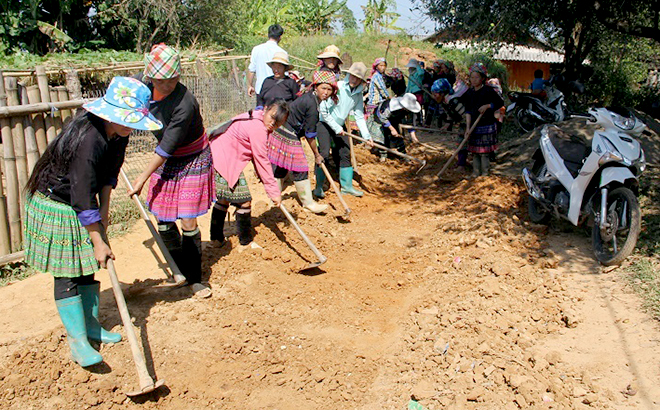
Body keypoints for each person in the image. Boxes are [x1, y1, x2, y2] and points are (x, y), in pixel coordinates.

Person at [23, 77, 162, 368]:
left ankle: (90, 325)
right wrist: (97, 240)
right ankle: (77, 342)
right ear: (109, 113)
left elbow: (110, 176)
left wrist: (105, 217)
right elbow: (82, 194)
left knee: (87, 266)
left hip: (82, 202)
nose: (131, 127)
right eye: (127, 120)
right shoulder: (89, 139)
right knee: (68, 272)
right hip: (58, 203)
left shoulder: (119, 133)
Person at [131, 44, 214, 298]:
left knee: (188, 217)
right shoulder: (141, 88)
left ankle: (195, 279)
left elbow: (166, 148)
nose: (168, 85)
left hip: (192, 155)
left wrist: (141, 178)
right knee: (162, 213)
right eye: (163, 81)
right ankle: (177, 268)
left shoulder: (184, 103)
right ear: (151, 76)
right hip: (167, 155)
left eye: (173, 79)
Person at [209, 101, 287, 249]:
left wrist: (260, 173)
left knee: (224, 199)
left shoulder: (256, 117)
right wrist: (274, 192)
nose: (273, 123)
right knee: (244, 202)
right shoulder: (258, 128)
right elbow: (262, 159)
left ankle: (216, 239)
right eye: (272, 117)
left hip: (220, 156)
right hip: (224, 159)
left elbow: (255, 156)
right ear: (266, 109)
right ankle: (245, 242)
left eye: (278, 123)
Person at [268, 71, 338, 214]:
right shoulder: (312, 104)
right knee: (300, 166)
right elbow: (310, 135)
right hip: (288, 131)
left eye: (329, 89)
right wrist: (317, 155)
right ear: (316, 87)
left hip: (283, 130)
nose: (326, 92)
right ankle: (308, 203)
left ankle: (274, 196)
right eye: (323, 88)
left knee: (282, 164)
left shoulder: (312, 99)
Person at [315, 62, 374, 198]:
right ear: (348, 75)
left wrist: (366, 136)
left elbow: (359, 116)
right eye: (352, 76)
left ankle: (346, 187)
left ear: (361, 80)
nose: (354, 80)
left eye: (357, 78)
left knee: (345, 152)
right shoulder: (338, 87)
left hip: (340, 127)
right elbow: (324, 110)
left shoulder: (358, 95)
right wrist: (336, 128)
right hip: (324, 123)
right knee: (323, 153)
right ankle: (318, 187)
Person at [460, 63, 504, 177]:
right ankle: (475, 173)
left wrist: (488, 106)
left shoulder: (488, 91)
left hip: (486, 124)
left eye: (477, 77)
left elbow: (500, 102)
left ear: (483, 78)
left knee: (484, 153)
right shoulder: (469, 93)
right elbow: (468, 111)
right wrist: (468, 128)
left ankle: (485, 174)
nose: (474, 80)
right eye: (472, 77)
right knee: (475, 152)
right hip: (474, 126)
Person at [367, 93, 421, 162]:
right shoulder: (389, 106)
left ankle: (403, 155)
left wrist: (413, 137)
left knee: (398, 137)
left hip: (394, 119)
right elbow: (382, 117)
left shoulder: (409, 111)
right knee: (382, 137)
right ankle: (383, 155)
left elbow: (409, 123)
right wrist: (392, 129)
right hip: (380, 118)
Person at [247, 24, 286, 97]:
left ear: (268, 35)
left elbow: (251, 70)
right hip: (277, 91)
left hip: (260, 90)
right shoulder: (282, 53)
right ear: (280, 37)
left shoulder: (257, 49)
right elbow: (284, 74)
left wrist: (250, 85)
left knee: (261, 108)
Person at [405, 59, 425, 125]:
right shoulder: (411, 75)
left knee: (418, 107)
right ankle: (412, 121)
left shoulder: (419, 73)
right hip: (412, 93)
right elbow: (409, 86)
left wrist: (418, 66)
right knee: (411, 108)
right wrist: (406, 93)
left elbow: (421, 73)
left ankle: (420, 121)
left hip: (418, 92)